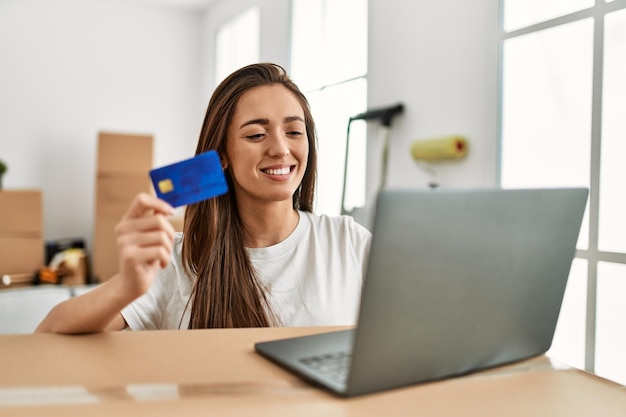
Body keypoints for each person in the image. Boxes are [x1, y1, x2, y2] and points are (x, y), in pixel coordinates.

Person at [36, 62, 372, 333]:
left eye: (294, 131)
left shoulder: (348, 242)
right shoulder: (177, 259)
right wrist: (126, 285)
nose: (281, 149)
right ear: (221, 155)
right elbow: (49, 333)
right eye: (256, 134)